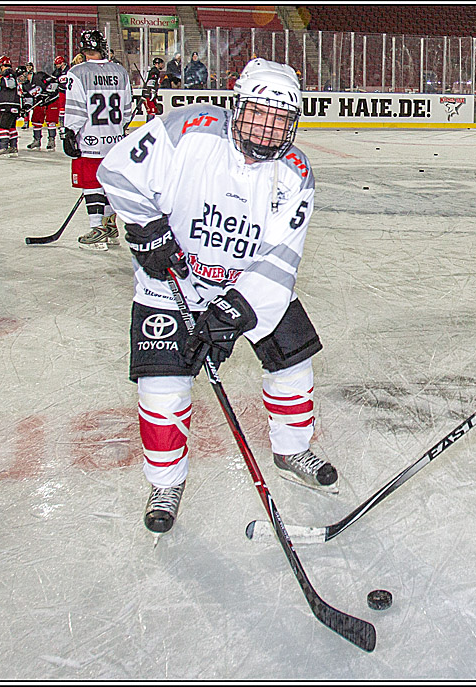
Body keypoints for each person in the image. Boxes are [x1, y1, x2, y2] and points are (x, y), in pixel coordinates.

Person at [97, 57, 337, 535]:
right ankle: (165, 483)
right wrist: (146, 231)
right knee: (163, 384)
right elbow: (119, 172)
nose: (267, 128)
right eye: (257, 113)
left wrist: (236, 311)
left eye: (280, 119)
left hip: (249, 286)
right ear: (236, 106)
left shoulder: (295, 173)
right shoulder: (191, 129)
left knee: (292, 359)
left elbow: (279, 260)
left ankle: (292, 449)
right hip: (171, 284)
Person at [62, 29, 134, 250]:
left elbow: (76, 109)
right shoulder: (120, 71)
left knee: (92, 184)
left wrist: (69, 132)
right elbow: (127, 111)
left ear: (83, 50)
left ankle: (97, 230)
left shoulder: (77, 72)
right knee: (110, 184)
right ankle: (110, 224)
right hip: (115, 141)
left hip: (91, 140)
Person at [25, 57, 66, 150]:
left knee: (51, 121)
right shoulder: (25, 85)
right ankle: (36, 141)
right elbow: (28, 98)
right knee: (36, 120)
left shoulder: (40, 75)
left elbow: (54, 82)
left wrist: (49, 91)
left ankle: (51, 141)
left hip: (52, 100)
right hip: (40, 102)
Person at [0, 56, 21, 157]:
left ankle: (3, 147)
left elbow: (11, 84)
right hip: (10, 104)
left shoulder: (9, 73)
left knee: (2, 127)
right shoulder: (7, 74)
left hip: (7, 105)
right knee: (11, 127)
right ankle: (13, 147)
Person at [140, 56, 165, 122]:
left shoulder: (155, 71)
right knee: (151, 110)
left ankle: (150, 127)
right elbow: (151, 82)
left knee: (153, 110)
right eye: (161, 63)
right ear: (157, 64)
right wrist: (152, 91)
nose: (162, 65)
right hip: (148, 94)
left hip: (150, 93)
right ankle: (149, 128)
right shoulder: (154, 71)